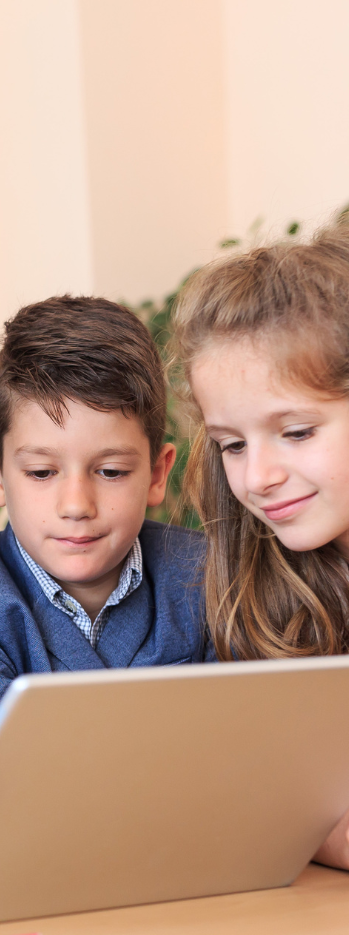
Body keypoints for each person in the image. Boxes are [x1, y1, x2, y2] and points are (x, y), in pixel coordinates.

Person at [0, 296, 209, 729]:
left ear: (157, 474)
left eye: (111, 471)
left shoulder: (210, 577)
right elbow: (2, 772)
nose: (76, 505)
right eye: (42, 472)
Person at [174, 221, 349, 870]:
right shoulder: (256, 581)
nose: (258, 477)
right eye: (233, 444)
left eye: (297, 432)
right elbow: (272, 801)